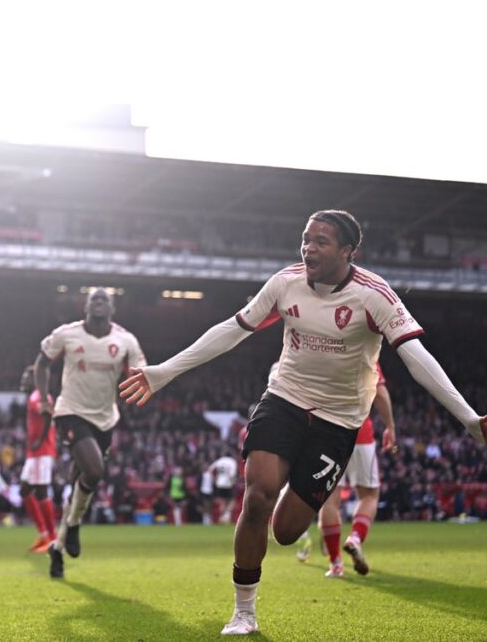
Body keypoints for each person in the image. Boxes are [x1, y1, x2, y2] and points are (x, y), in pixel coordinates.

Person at [119, 209, 487, 636]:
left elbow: (416, 356)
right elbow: (232, 329)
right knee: (255, 498)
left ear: (348, 251)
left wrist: (467, 418)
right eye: (306, 239)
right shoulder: (285, 282)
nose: (308, 248)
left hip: (339, 420)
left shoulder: (375, 295)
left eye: (321, 242)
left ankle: (291, 507)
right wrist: (164, 371)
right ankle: (244, 612)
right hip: (284, 399)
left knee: (287, 530)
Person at [36, 287, 147, 578]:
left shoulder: (125, 340)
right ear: (85, 305)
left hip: (106, 420)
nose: (98, 301)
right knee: (94, 471)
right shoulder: (67, 334)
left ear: (113, 309)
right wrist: (45, 398)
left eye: (105, 299)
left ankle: (57, 549)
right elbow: (42, 362)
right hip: (70, 412)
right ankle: (73, 527)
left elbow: (140, 373)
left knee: (79, 486)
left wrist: (145, 383)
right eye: (94, 298)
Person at [320, 363, 395, 577]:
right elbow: (379, 392)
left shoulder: (318, 345)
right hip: (360, 432)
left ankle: (335, 564)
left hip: (326, 433)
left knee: (329, 499)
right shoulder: (365, 350)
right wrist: (390, 426)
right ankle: (355, 537)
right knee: (370, 495)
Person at [19, 365, 57, 552]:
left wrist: (40, 440)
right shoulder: (33, 397)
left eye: (27, 377)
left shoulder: (38, 397)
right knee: (25, 490)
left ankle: (52, 539)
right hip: (34, 453)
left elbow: (48, 414)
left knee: (41, 491)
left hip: (42, 451)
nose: (23, 380)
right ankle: (43, 535)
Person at [208, 450, 240, 525]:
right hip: (228, 484)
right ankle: (225, 516)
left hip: (219, 483)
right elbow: (232, 474)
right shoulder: (232, 461)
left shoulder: (219, 461)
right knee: (232, 501)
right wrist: (233, 482)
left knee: (223, 501)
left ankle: (222, 518)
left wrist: (214, 479)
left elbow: (210, 469)